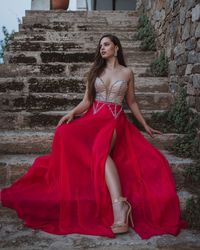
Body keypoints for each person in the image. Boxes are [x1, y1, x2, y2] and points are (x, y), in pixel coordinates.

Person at [0, 34, 188, 239]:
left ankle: (120, 207)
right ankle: (120, 205)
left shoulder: (127, 72)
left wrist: (145, 125)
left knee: (100, 151)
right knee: (64, 132)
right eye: (100, 46)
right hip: (93, 119)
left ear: (116, 47)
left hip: (115, 120)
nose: (102, 48)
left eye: (106, 44)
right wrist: (72, 113)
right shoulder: (95, 71)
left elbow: (132, 102)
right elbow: (88, 101)